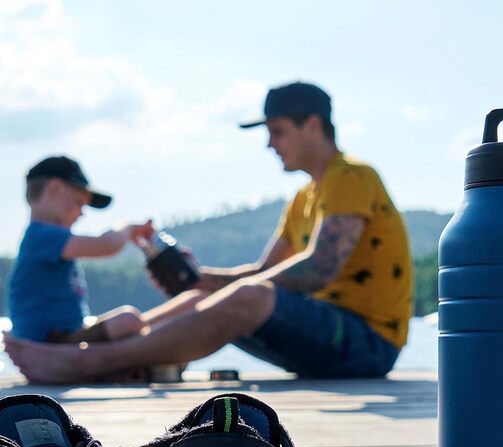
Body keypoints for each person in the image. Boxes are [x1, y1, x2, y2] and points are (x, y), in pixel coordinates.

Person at [5, 82, 414, 383]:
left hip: (366, 343)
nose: (270, 145)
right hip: (323, 336)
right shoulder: (302, 198)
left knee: (248, 295)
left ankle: (93, 361)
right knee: (211, 293)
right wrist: (200, 280)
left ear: (312, 125)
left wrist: (225, 288)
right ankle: (100, 351)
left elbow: (319, 269)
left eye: (277, 131)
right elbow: (263, 270)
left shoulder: (352, 176)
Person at [8, 156, 154, 343]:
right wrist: (129, 228)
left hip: (68, 336)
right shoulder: (42, 236)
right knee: (128, 320)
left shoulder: (47, 239)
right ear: (55, 189)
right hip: (52, 343)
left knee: (178, 311)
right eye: (78, 202)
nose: (82, 212)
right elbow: (106, 245)